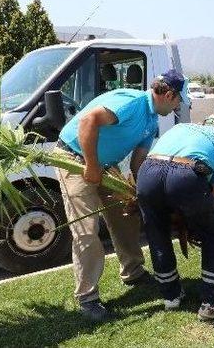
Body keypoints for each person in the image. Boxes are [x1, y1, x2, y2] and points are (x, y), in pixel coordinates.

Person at [55, 69, 190, 321]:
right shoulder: (131, 102)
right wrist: (91, 165)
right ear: (169, 94)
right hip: (74, 158)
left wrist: (142, 191)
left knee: (126, 215)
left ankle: (133, 272)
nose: (177, 107)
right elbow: (88, 121)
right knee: (85, 229)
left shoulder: (151, 121)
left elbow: (139, 163)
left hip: (105, 166)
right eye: (178, 101)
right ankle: (87, 298)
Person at [136, 122, 214, 321]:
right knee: (213, 235)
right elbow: (212, 194)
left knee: (157, 234)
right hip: (184, 174)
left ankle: (171, 296)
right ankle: (213, 301)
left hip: (148, 171)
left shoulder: (181, 127)